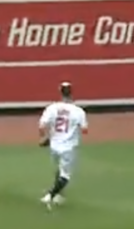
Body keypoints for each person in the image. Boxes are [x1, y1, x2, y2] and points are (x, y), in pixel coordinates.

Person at [38, 81, 88, 210]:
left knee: (59, 170)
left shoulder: (52, 108)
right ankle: (51, 195)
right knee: (65, 175)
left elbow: (42, 126)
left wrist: (45, 138)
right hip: (68, 147)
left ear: (60, 92)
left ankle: (58, 194)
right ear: (71, 93)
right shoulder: (78, 111)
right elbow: (84, 130)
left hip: (54, 146)